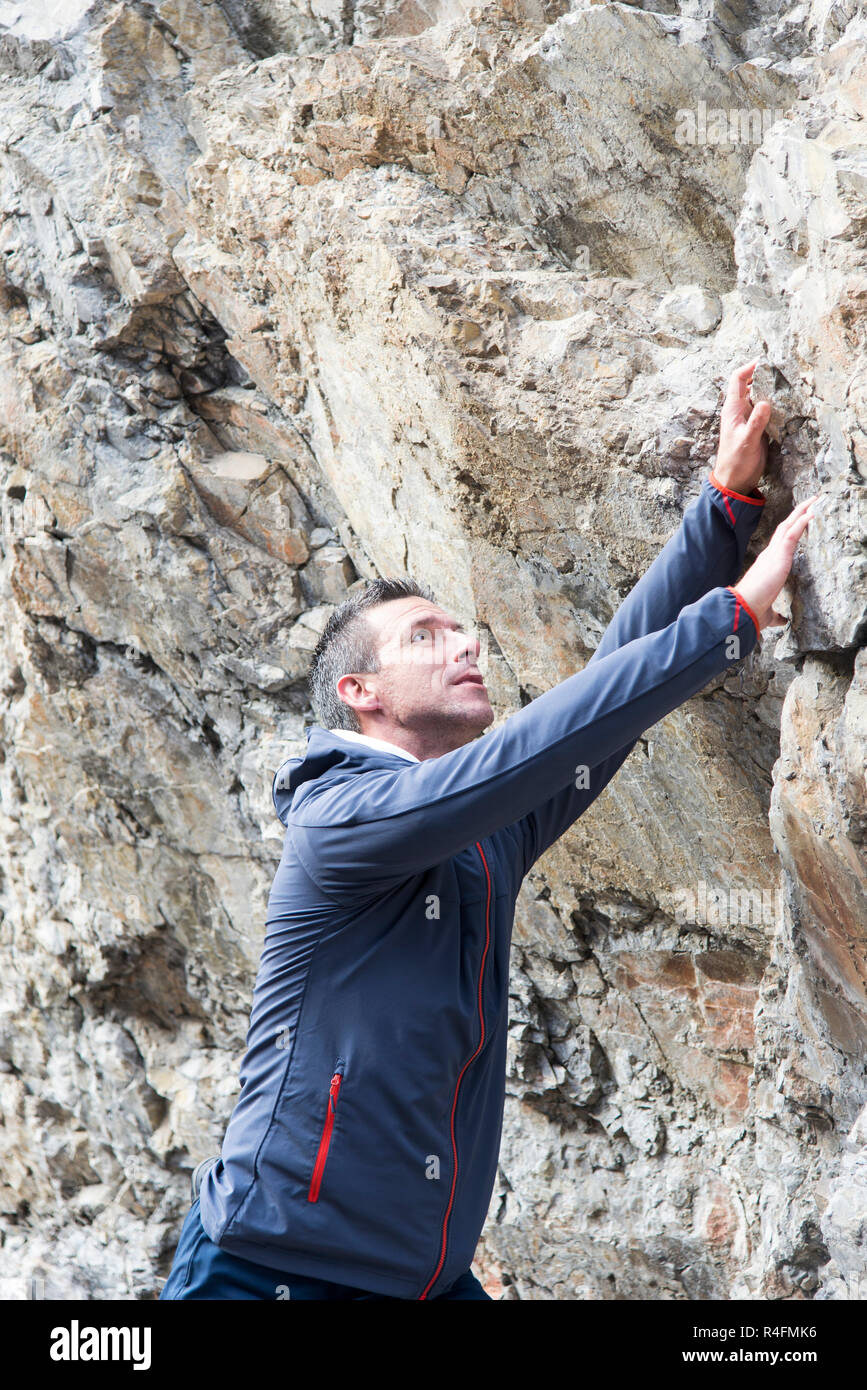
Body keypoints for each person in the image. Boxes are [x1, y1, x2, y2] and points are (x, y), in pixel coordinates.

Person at [159, 361, 818, 1300]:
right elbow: (532, 747)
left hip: (425, 1281)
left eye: (460, 628)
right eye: (425, 635)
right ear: (360, 695)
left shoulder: (479, 833)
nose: (465, 641)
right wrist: (733, 617)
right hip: (269, 1269)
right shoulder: (338, 820)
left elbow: (599, 704)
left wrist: (720, 512)